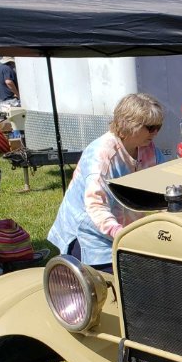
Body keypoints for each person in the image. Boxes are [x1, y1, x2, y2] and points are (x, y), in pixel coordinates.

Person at [48, 93, 166, 272]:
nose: (156, 132)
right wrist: (122, 235)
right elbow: (96, 206)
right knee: (120, 281)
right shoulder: (102, 157)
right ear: (129, 125)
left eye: (158, 127)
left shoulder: (147, 148)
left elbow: (167, 179)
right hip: (90, 237)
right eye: (150, 127)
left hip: (125, 232)